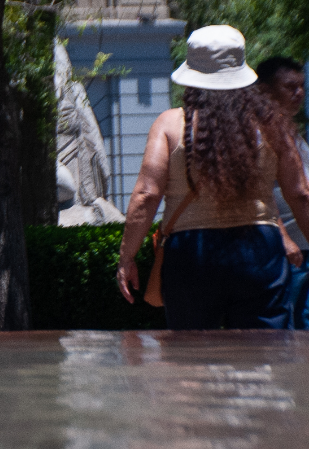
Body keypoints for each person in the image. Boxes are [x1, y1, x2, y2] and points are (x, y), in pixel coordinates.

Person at [116, 25, 309, 329]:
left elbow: (147, 194)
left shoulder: (169, 124)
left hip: (191, 252)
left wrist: (127, 257)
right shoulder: (271, 124)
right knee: (266, 350)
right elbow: (300, 194)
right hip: (259, 248)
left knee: (191, 352)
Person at [254, 57, 309, 263]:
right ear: (265, 90)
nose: (299, 93)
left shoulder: (289, 131)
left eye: (302, 86)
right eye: (290, 87)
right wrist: (283, 237)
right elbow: (259, 191)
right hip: (290, 252)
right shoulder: (261, 133)